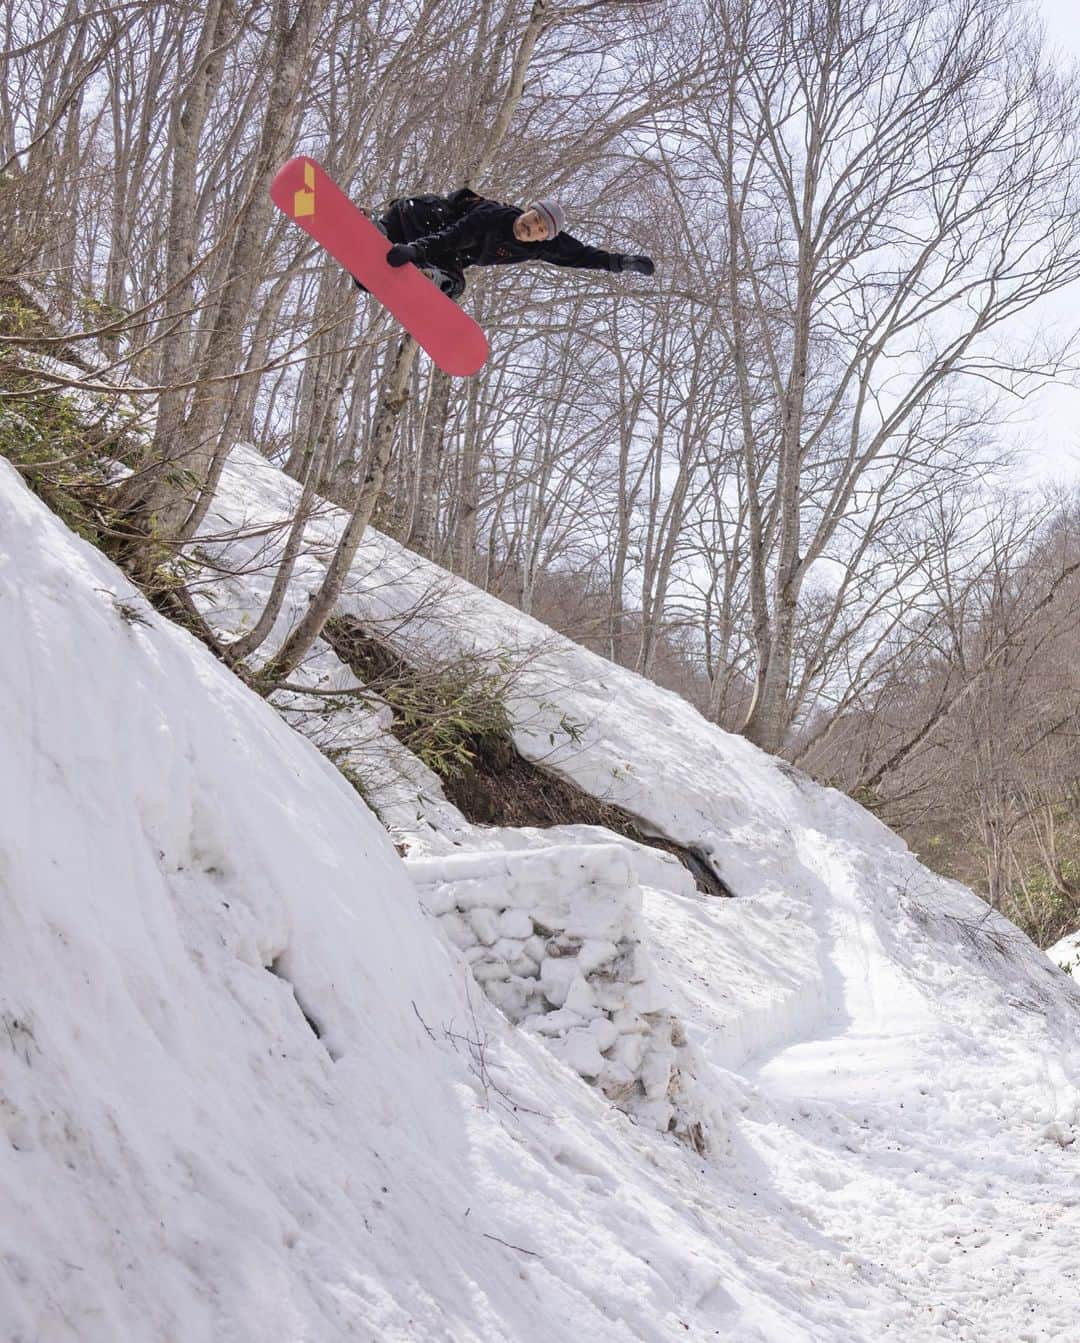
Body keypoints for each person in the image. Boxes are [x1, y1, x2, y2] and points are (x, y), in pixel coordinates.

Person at [358, 188, 654, 299]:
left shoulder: (541, 246)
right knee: (442, 254)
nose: (530, 227)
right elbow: (452, 238)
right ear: (527, 209)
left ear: (543, 238)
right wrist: (416, 250)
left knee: (454, 285)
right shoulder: (494, 216)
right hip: (423, 219)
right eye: (533, 218)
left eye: (538, 229)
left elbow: (581, 255)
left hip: (435, 253)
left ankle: (429, 279)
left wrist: (621, 262)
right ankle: (379, 229)